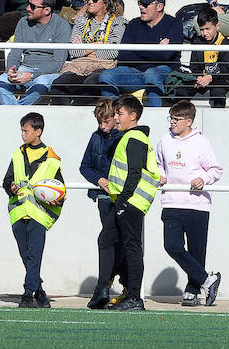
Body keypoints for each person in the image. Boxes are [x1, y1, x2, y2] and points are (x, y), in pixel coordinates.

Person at [89, 94, 159, 312]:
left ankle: (134, 298)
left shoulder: (135, 138)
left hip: (131, 203)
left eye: (120, 113)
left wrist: (123, 201)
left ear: (133, 116)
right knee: (106, 240)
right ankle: (103, 288)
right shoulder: (127, 137)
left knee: (131, 248)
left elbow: (135, 173)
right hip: (124, 201)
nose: (116, 118)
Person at [156, 101, 225, 307]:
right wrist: (160, 175)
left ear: (189, 121)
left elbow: (215, 169)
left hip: (196, 204)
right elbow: (159, 164)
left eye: (177, 119)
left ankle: (192, 291)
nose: (173, 123)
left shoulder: (201, 142)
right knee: (172, 246)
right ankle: (207, 280)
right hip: (171, 201)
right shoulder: (164, 140)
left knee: (197, 250)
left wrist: (203, 179)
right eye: (171, 118)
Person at [4, 111, 63, 308]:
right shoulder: (17, 154)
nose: (22, 134)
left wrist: (57, 201)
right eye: (21, 130)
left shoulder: (52, 159)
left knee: (34, 255)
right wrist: (10, 186)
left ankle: (27, 295)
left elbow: (60, 189)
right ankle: (40, 292)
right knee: (26, 256)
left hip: (39, 214)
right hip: (19, 212)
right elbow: (6, 180)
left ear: (38, 132)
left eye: (26, 130)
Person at [98, 0, 185, 106]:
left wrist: (136, 50)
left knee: (151, 74)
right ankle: (111, 116)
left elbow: (166, 56)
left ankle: (155, 118)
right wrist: (156, 48)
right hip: (134, 73)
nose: (140, 6)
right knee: (106, 75)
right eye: (140, 3)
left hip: (163, 71)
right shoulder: (134, 24)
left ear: (159, 7)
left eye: (145, 4)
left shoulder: (174, 24)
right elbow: (124, 56)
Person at [50, 0, 128, 104]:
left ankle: (75, 116)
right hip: (78, 65)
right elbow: (73, 51)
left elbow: (113, 52)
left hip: (103, 66)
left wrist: (84, 49)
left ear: (106, 3)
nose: (89, 2)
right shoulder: (82, 20)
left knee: (90, 84)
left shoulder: (118, 22)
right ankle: (63, 117)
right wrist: (100, 44)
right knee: (58, 84)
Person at [0, 0, 73, 105]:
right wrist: (11, 70)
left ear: (47, 10)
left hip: (48, 72)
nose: (27, 8)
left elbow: (57, 63)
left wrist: (32, 76)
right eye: (28, 4)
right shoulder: (23, 22)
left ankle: (15, 114)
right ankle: (16, 113)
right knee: (1, 81)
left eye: (32, 6)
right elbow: (15, 52)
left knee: (42, 83)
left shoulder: (61, 26)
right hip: (25, 68)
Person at [79, 99, 125, 294]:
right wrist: (100, 180)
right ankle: (107, 283)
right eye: (99, 121)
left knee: (121, 242)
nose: (102, 126)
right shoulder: (95, 137)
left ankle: (120, 284)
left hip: (123, 199)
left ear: (114, 118)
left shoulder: (123, 137)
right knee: (110, 241)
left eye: (105, 121)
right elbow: (85, 166)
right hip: (103, 199)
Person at [183, 6, 229, 107]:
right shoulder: (197, 42)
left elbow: (226, 69)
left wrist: (211, 77)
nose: (204, 33)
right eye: (202, 29)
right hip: (203, 79)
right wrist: (198, 77)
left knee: (218, 91)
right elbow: (194, 66)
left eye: (208, 29)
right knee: (182, 90)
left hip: (220, 79)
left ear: (217, 26)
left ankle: (218, 118)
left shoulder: (225, 43)